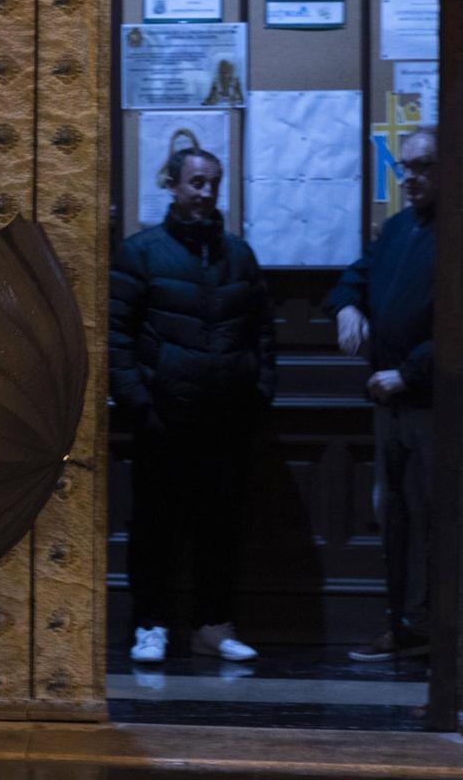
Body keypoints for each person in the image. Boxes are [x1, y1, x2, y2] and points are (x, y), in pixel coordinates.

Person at [110, 148, 277, 664]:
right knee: (155, 526)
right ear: (173, 186)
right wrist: (141, 403)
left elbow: (263, 332)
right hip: (164, 418)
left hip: (226, 418)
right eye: (196, 183)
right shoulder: (141, 253)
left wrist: (258, 389)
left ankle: (214, 624)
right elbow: (116, 336)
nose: (205, 194)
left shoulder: (237, 255)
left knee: (219, 528)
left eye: (213, 184)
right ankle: (150, 624)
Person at [325, 127, 436, 662]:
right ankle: (402, 625)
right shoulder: (397, 230)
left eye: (423, 167)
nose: (411, 178)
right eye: (406, 168)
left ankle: (434, 627)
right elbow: (353, 278)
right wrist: (348, 305)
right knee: (392, 515)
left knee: (433, 516)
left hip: (431, 403)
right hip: (389, 402)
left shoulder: (461, 234)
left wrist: (410, 374)